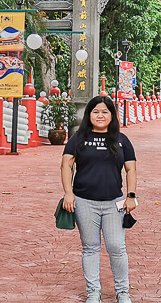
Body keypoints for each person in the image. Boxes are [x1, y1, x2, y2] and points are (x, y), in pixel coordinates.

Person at [61, 96, 138, 303]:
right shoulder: (78, 138)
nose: (100, 115)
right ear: (89, 115)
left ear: (112, 115)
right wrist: (68, 193)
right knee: (90, 247)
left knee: (117, 247)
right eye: (96, 112)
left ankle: (123, 292)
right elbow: (66, 166)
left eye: (105, 112)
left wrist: (131, 196)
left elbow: (131, 169)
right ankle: (93, 292)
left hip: (114, 202)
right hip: (84, 201)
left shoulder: (122, 140)